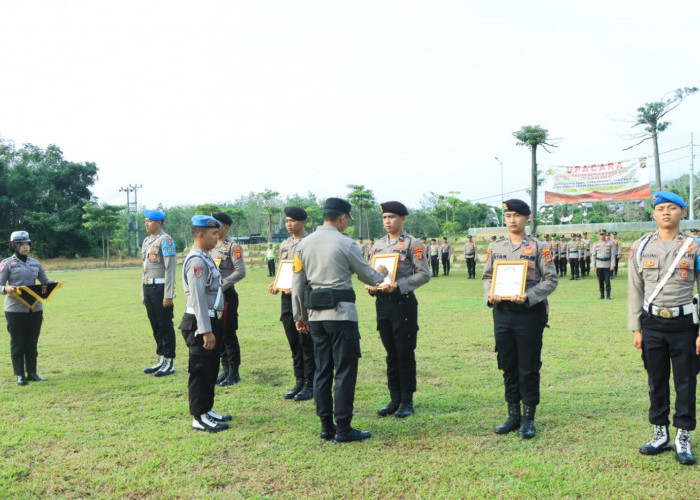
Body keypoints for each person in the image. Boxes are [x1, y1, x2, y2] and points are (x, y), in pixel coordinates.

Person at [292, 197, 388, 443]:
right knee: (345, 371)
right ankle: (344, 428)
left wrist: (300, 316)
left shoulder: (303, 245)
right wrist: (383, 275)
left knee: (322, 371)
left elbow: (298, 284)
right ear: (343, 217)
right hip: (342, 316)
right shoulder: (346, 244)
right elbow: (367, 275)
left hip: (316, 318)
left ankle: (326, 426)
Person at [629, 191, 700, 465]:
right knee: (656, 380)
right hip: (652, 324)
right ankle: (660, 432)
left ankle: (683, 435)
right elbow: (635, 290)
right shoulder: (640, 247)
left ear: (683, 212)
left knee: (685, 381)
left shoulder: (694, 247)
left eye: (672, 208)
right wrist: (636, 328)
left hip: (685, 325)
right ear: (654, 214)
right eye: (661, 208)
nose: (666, 212)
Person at [482, 199, 558, 439]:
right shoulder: (496, 248)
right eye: (508, 216)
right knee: (508, 364)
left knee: (528, 366)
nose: (512, 220)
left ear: (527, 218)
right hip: (502, 313)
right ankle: (513, 414)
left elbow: (551, 280)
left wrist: (529, 296)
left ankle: (528, 418)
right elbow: (486, 276)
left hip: (528, 313)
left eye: (516, 215)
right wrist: (489, 294)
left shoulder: (538, 247)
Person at [366, 202, 430, 418]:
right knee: (391, 354)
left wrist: (399, 285)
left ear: (403, 218)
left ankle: (407, 400)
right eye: (384, 217)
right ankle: (394, 398)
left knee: (404, 352)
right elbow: (370, 272)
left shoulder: (413, 244)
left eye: (392, 217)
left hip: (403, 303)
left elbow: (424, 274)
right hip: (383, 304)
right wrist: (371, 286)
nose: (387, 221)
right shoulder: (378, 246)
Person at [179, 215, 232, 433]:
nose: (217, 237)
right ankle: (198, 417)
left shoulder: (206, 257)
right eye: (212, 233)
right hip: (201, 322)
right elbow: (199, 298)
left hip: (211, 319)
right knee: (200, 371)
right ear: (200, 234)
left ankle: (206, 410)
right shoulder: (197, 261)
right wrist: (206, 331)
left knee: (210, 369)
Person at [268, 206, 315, 401]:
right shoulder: (285, 245)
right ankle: (299, 381)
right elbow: (284, 269)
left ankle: (310, 384)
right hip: (287, 299)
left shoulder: (311, 243)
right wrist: (276, 283)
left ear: (303, 222)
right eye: (287, 221)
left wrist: (295, 286)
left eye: (293, 221)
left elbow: (313, 272)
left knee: (307, 342)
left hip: (305, 298)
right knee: (293, 342)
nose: (289, 224)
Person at [0, 231, 53, 385]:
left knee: (32, 342)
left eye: (27, 244)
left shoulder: (35, 263)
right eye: (21, 244)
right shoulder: (6, 264)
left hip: (35, 309)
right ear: (14, 245)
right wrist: (6, 289)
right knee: (18, 343)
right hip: (15, 310)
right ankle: (20, 375)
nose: (25, 247)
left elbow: (45, 281)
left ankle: (32, 373)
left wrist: (53, 285)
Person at [211, 212, 246, 386]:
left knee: (228, 334)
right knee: (218, 334)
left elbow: (240, 271)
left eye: (217, 224)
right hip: (212, 297)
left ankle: (234, 372)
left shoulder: (233, 246)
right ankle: (225, 371)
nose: (214, 227)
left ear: (226, 226)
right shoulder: (210, 246)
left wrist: (222, 285)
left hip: (226, 296)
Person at [141, 209, 177, 377]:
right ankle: (161, 358)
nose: (146, 224)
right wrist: (143, 291)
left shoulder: (166, 240)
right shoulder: (147, 241)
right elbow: (144, 269)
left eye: (149, 221)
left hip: (161, 288)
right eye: (146, 221)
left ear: (159, 222)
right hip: (149, 288)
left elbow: (170, 269)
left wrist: (168, 294)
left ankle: (169, 361)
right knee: (155, 326)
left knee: (165, 325)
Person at [591, 230, 614, 300]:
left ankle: (608, 295)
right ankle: (602, 295)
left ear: (605, 235)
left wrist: (612, 265)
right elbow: (593, 255)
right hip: (599, 265)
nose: (602, 236)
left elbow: (612, 255)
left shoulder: (610, 244)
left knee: (607, 281)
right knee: (600, 281)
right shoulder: (596, 244)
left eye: (603, 234)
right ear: (599, 235)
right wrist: (593, 265)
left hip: (607, 265)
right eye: (600, 234)